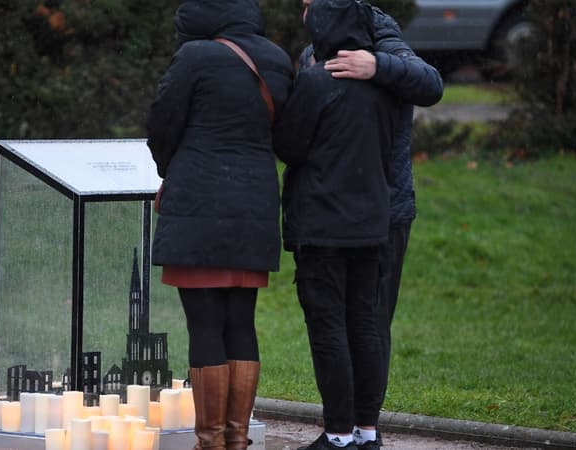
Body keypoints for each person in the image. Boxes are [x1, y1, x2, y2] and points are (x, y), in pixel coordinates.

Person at [145, 1, 293, 449]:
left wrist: (171, 168)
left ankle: (210, 442)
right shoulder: (277, 58)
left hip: (198, 206)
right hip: (255, 205)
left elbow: (162, 123)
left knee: (205, 325)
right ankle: (237, 439)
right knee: (241, 323)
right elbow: (286, 135)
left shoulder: (194, 56)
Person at [297, 1, 443, 447]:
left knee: (369, 321)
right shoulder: (312, 52)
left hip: (385, 209)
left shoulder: (383, 39)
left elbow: (431, 84)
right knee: (343, 323)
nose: (303, 9)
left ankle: (362, 430)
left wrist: (376, 65)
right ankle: (348, 430)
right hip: (335, 209)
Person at [273, 0, 400, 448]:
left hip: (323, 225)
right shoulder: (384, 86)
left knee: (328, 329)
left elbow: (289, 146)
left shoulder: (314, 81)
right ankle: (368, 430)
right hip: (371, 223)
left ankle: (339, 434)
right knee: (364, 324)